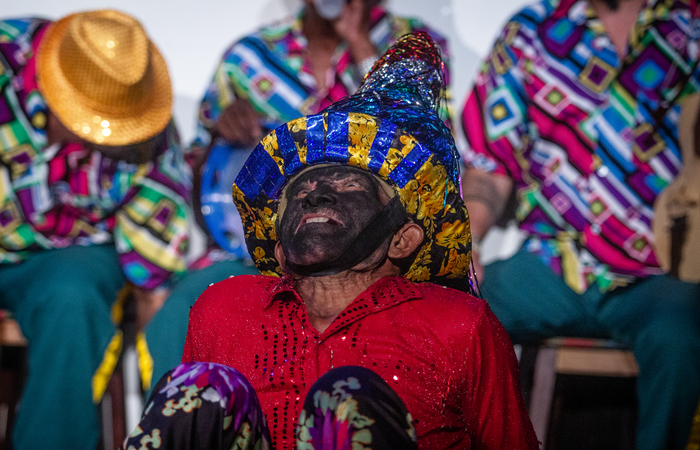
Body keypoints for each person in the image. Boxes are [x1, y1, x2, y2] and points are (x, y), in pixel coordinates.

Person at [180, 32, 538, 449]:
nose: (315, 193)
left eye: (349, 183)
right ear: (279, 248)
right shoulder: (223, 311)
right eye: (301, 189)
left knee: (348, 403)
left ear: (403, 239)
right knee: (184, 398)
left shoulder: (460, 327)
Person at [144, 0, 452, 395]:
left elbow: (427, 158)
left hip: (369, 259)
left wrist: (360, 47)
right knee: (185, 308)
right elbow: (199, 174)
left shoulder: (412, 49)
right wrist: (223, 133)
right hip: (255, 253)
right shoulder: (249, 58)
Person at [460, 0, 700, 448]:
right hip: (551, 264)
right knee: (451, 308)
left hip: (660, 268)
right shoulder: (532, 31)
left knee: (681, 339)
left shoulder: (689, 26)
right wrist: (465, 240)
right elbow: (490, 166)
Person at [0, 11, 190, 449]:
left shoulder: (150, 137)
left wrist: (164, 416)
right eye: (87, 117)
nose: (100, 136)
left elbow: (152, 283)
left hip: (63, 261)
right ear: (50, 84)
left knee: (73, 293)